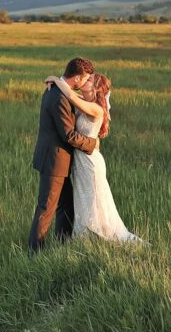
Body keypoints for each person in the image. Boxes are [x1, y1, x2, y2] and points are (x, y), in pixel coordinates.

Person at [44, 71, 143, 243]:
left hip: (90, 163)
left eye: (89, 80)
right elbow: (70, 94)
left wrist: (55, 79)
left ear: (96, 88)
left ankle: (98, 237)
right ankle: (85, 238)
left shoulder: (96, 109)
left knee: (93, 201)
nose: (84, 80)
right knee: (83, 200)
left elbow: (69, 94)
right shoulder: (84, 101)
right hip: (79, 162)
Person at [28, 56, 98, 252]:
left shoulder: (57, 89)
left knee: (66, 205)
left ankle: (62, 245)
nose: (85, 83)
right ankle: (34, 252)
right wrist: (93, 144)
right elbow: (68, 134)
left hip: (60, 160)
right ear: (76, 78)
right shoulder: (58, 96)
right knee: (46, 208)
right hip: (54, 160)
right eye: (84, 79)